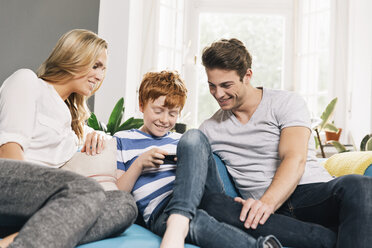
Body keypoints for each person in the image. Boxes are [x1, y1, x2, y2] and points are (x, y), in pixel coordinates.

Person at [199, 38, 372, 248]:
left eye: (226, 85)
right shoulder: (209, 129)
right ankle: (331, 239)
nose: (218, 94)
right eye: (212, 86)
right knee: (213, 204)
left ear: (247, 76)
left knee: (361, 185)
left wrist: (266, 204)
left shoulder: (286, 102)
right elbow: (184, 159)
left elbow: (294, 158)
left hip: (309, 194)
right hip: (264, 215)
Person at [0, 29, 137, 248]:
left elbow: (92, 140)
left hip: (35, 204)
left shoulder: (70, 122)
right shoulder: (27, 82)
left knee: (123, 204)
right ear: (74, 57)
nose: (100, 76)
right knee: (86, 190)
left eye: (104, 69)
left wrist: (97, 134)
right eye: (96, 65)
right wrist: (48, 201)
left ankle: (16, 240)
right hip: (8, 184)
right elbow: (9, 151)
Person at [114, 71, 282, 248]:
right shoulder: (122, 139)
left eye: (173, 114)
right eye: (158, 111)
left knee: (193, 138)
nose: (164, 120)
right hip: (160, 211)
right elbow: (117, 194)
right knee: (197, 223)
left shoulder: (182, 140)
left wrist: (188, 163)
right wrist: (139, 164)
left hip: (200, 199)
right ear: (141, 105)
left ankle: (181, 219)